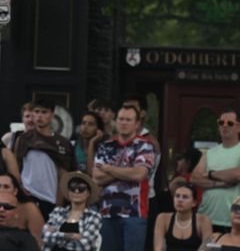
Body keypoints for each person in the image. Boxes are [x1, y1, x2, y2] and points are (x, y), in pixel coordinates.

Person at [91, 104, 155, 251]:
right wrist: (127, 170)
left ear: (137, 124)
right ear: (115, 121)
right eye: (121, 119)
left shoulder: (145, 146)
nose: (123, 123)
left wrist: (109, 168)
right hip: (107, 212)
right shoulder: (106, 146)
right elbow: (97, 178)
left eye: (128, 119)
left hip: (135, 214)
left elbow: (139, 174)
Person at [4, 100, 75, 218]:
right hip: (27, 198)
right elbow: (16, 166)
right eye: (36, 112)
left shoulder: (63, 144)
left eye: (44, 112)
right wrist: (20, 189)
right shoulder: (23, 139)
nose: (39, 116)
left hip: (50, 201)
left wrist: (58, 207)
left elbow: (64, 176)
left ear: (52, 115)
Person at [191, 107, 240, 233]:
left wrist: (210, 174)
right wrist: (220, 183)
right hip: (206, 219)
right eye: (221, 122)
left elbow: (237, 174)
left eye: (229, 123)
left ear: (238, 127)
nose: (224, 126)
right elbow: (194, 178)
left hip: (234, 221)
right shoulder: (210, 153)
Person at [40, 170, 102, 251]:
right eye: (72, 188)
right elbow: (45, 237)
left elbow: (85, 246)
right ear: (69, 192)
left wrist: (56, 236)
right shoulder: (57, 212)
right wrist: (68, 235)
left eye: (81, 188)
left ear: (88, 193)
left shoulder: (93, 216)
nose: (76, 191)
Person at [152, 179, 211, 251]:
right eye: (177, 196)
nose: (180, 200)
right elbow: (158, 248)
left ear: (194, 203)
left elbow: (206, 248)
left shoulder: (203, 220)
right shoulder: (163, 218)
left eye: (185, 197)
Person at [0, 174, 45, 243]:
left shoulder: (29, 209)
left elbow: (39, 241)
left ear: (15, 191)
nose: (1, 190)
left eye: (6, 187)